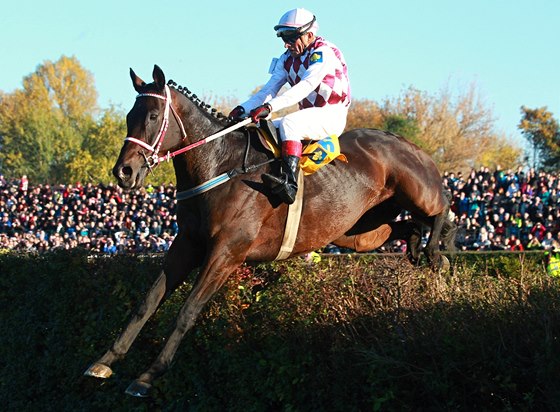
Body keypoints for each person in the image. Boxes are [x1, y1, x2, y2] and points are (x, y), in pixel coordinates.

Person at [229, 8, 351, 204]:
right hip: (309, 116)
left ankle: (289, 184)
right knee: (262, 129)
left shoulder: (323, 52)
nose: (287, 44)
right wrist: (242, 108)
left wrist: (269, 107)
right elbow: (267, 90)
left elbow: (305, 86)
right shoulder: (286, 59)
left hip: (332, 114)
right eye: (283, 38)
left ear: (309, 34)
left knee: (289, 124)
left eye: (291, 38)